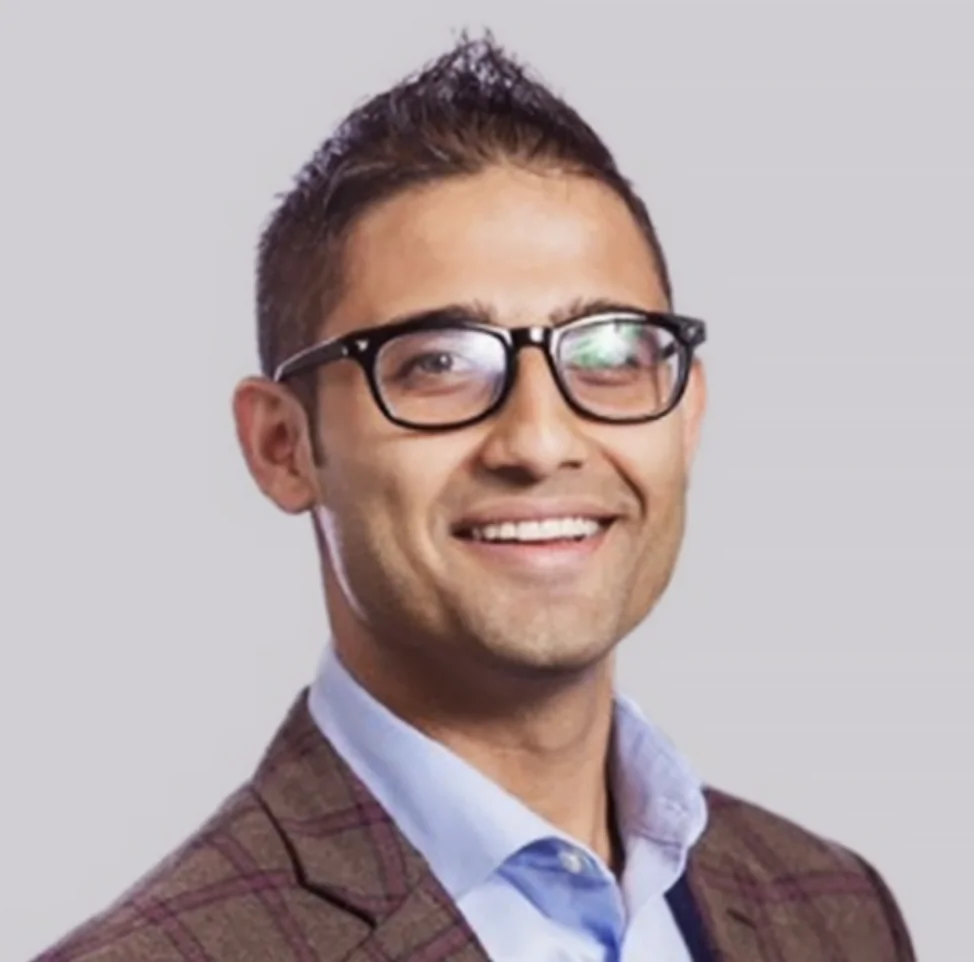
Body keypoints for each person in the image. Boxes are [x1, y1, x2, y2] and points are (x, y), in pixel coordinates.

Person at [34, 34, 915, 962]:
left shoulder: (832, 906)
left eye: (610, 352)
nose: (539, 441)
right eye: (440, 364)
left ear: (686, 413)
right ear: (283, 446)